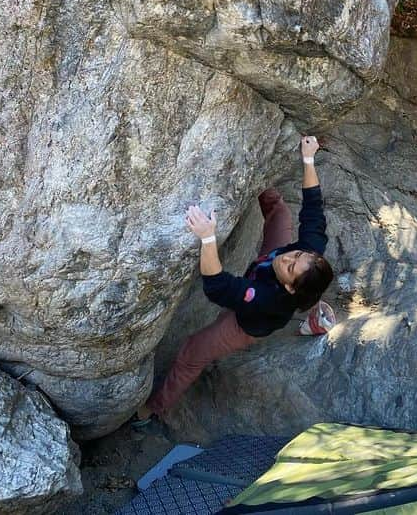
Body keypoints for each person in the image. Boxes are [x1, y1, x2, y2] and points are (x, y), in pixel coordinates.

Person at [134, 134, 334, 424]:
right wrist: (308, 159)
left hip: (246, 320)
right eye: (297, 254)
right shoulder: (306, 255)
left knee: (192, 353)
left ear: (290, 286)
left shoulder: (266, 299)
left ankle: (153, 408)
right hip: (266, 271)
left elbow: (219, 287)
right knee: (279, 212)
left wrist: (207, 238)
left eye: (292, 266)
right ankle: (313, 304)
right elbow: (313, 208)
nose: (288, 258)